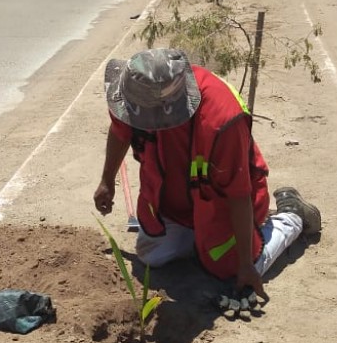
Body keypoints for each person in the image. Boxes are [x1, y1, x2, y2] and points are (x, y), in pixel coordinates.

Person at [93, 48, 320, 300]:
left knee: (231, 271)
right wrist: (106, 180)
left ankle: (291, 217)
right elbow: (120, 130)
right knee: (152, 256)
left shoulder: (223, 121)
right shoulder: (135, 93)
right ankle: (200, 243)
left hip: (220, 206)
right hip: (171, 205)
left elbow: (238, 193)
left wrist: (246, 264)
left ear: (164, 111)